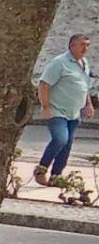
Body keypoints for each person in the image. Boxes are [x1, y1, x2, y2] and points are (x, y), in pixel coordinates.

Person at [34, 33, 93, 186]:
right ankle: (41, 170)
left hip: (74, 113)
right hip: (56, 110)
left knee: (67, 146)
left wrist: (88, 104)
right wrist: (45, 107)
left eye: (87, 45)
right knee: (60, 139)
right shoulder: (59, 63)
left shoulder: (84, 63)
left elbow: (84, 86)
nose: (85, 48)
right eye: (82, 45)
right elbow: (44, 84)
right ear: (72, 46)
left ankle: (56, 176)